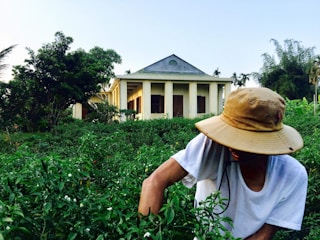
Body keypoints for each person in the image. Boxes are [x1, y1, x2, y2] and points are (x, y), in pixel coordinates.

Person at [138, 87, 308, 239]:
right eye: (232, 136)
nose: (233, 146)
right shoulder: (212, 145)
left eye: (245, 140)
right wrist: (149, 233)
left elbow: (262, 236)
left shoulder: (293, 175)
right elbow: (155, 182)